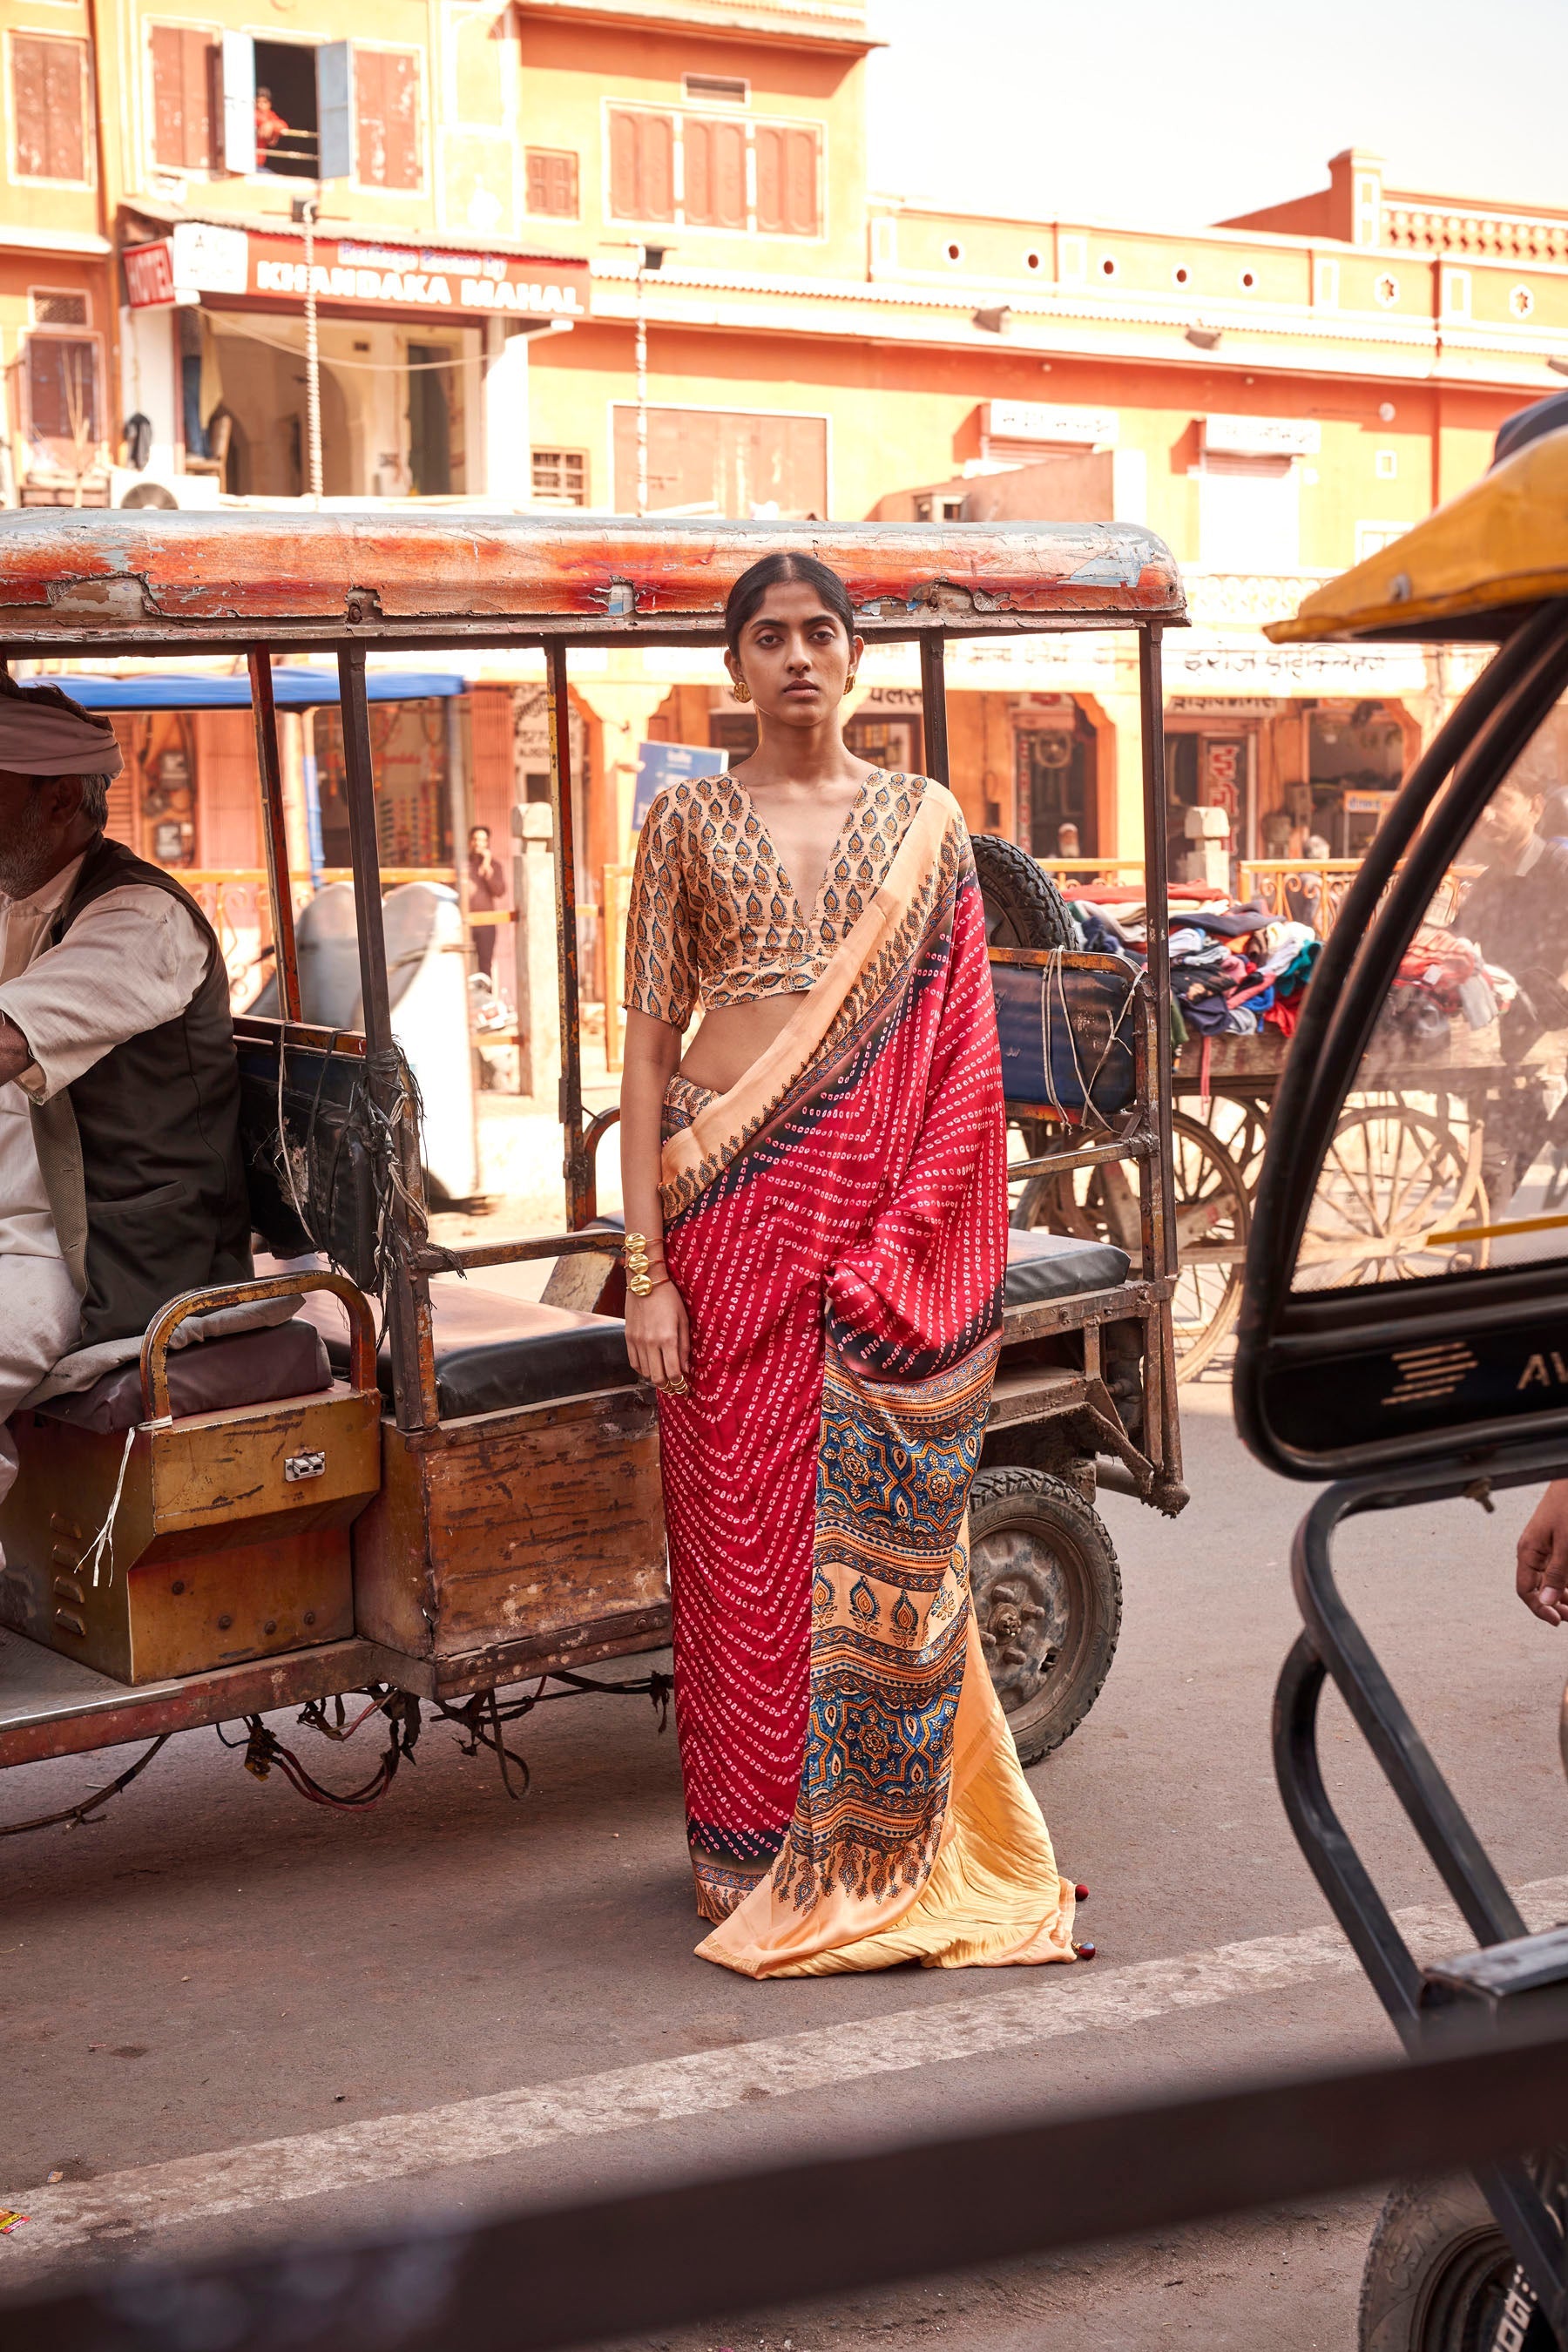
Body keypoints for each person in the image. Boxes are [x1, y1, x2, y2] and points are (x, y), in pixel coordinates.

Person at [617, 551, 1080, 1978]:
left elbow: (957, 1065)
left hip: (870, 1235)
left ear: (854, 657)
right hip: (719, 1210)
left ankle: (876, 1839)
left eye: (822, 633)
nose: (798, 658)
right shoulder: (683, 818)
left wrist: (903, 1240)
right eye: (770, 638)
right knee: (735, 1547)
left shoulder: (927, 825)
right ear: (734, 665)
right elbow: (639, 1040)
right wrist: (644, 1266)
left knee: (876, 1550)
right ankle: (746, 1848)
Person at [0, 679, 250, 1518]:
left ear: (58, 799)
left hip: (95, 1253)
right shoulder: (21, 899)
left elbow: (5, 1042)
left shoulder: (139, 919)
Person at [466, 825, 507, 983]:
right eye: (476, 839)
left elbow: (499, 891)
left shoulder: (494, 866)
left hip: (486, 924)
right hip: (466, 923)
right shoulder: (463, 865)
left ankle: (486, 1001)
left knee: (485, 965)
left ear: (488, 842)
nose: (479, 843)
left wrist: (487, 868)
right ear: (470, 841)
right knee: (463, 965)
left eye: (483, 840)